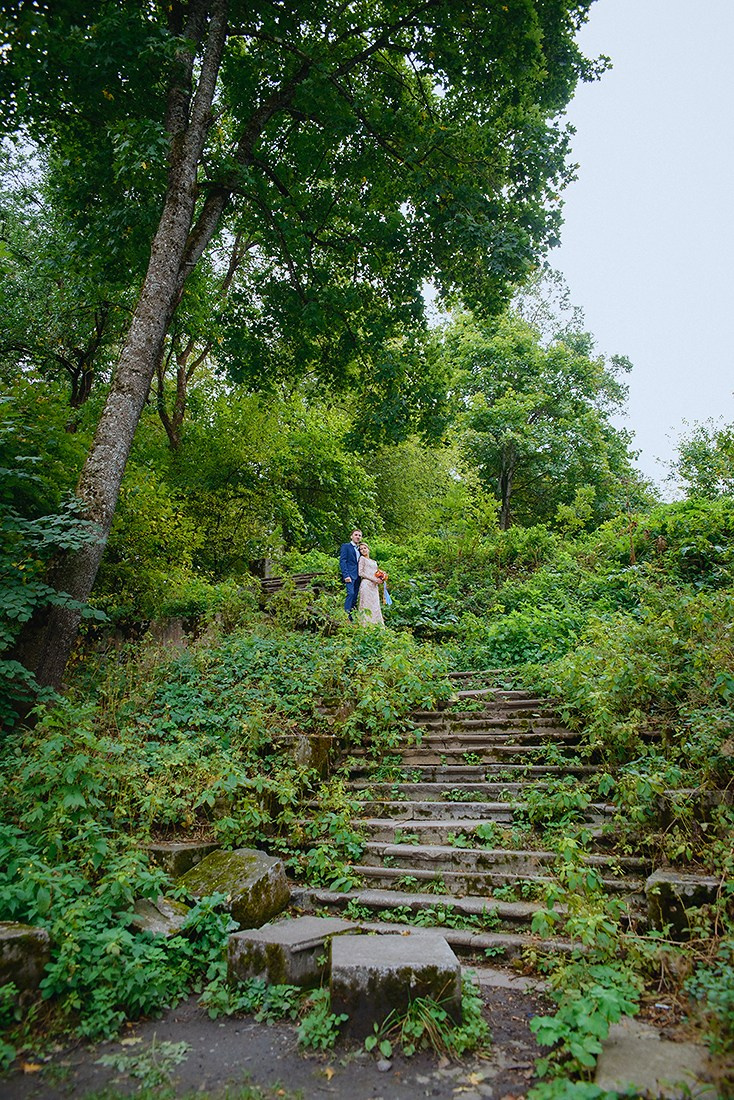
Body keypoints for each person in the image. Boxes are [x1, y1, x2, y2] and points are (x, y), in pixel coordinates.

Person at [357, 542, 386, 627]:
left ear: (368, 549)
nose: (363, 550)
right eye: (361, 549)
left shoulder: (374, 561)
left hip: (374, 586)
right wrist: (374, 579)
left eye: (364, 548)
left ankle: (376, 625)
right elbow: (360, 573)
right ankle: (365, 625)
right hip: (366, 584)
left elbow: (375, 573)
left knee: (375, 605)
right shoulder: (362, 559)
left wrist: (381, 577)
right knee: (366, 604)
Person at [339, 528, 362, 619]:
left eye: (359, 535)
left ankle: (352, 616)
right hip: (349, 575)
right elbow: (342, 561)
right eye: (356, 535)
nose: (358, 537)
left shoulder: (360, 549)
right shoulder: (346, 546)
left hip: (358, 576)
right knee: (350, 593)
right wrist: (346, 575)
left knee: (355, 595)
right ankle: (346, 615)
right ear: (351, 536)